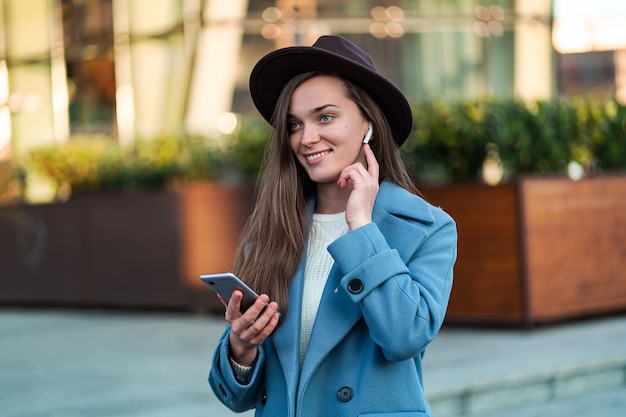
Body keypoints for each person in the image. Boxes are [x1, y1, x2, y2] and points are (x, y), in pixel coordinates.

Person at [208, 35, 457, 417]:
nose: (306, 139)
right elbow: (237, 399)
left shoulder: (426, 228)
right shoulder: (273, 231)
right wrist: (241, 346)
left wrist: (361, 227)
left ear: (368, 125)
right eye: (294, 125)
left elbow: (405, 336)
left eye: (325, 117)